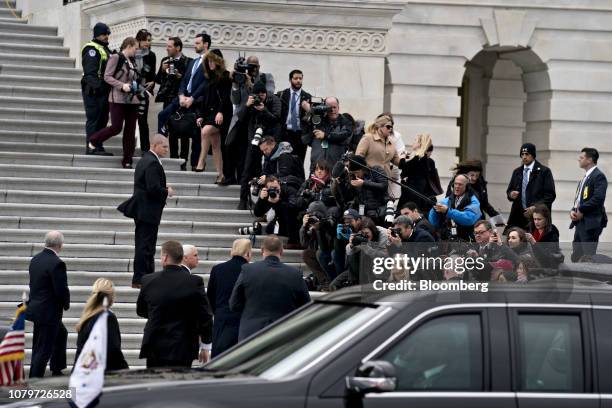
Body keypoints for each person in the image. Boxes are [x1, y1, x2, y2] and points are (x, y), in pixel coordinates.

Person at [137, 241, 213, 368]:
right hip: (183, 346)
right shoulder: (194, 282)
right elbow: (205, 316)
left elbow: (141, 310)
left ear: (165, 257)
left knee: (155, 384)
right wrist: (205, 345)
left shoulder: (148, 280)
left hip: (155, 345)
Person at [118, 134, 175, 287]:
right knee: (146, 246)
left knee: (145, 244)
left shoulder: (147, 160)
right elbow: (153, 188)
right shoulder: (152, 163)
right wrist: (166, 191)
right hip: (147, 211)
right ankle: (141, 279)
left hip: (144, 210)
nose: (166, 150)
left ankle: (145, 277)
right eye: (164, 146)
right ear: (155, 145)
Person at [229, 235, 310, 341]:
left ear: (262, 250)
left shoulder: (247, 270)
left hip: (251, 334)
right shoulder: (295, 274)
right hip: (284, 334)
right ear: (281, 251)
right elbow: (306, 306)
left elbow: (234, 304)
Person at [158, 33, 211, 170]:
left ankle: (194, 164)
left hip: (197, 101)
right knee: (162, 115)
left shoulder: (209, 61)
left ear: (206, 44)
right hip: (182, 97)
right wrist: (181, 95)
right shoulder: (194, 62)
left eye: (198, 43)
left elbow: (206, 84)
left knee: (195, 133)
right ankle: (159, 147)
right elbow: (184, 81)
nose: (195, 45)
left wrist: (192, 98)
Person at [87, 37, 140, 169]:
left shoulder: (133, 61)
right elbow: (107, 76)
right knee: (116, 127)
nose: (137, 51)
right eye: (135, 48)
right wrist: (121, 86)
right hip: (117, 98)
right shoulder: (116, 57)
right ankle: (94, 139)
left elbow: (133, 78)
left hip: (132, 100)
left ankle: (127, 160)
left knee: (130, 130)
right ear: (129, 45)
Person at [226, 55, 276, 186]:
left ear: (259, 66)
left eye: (255, 66)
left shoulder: (266, 77)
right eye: (250, 66)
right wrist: (235, 84)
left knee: (253, 154)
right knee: (233, 147)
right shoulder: (241, 77)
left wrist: (251, 84)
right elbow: (235, 101)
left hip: (258, 120)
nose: (253, 69)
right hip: (242, 117)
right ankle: (233, 177)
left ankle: (250, 182)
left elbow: (269, 95)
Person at [26, 231, 70, 378]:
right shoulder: (57, 263)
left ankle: (57, 368)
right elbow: (60, 289)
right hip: (48, 312)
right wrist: (66, 303)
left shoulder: (36, 259)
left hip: (37, 308)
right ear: (60, 245)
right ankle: (34, 378)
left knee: (61, 333)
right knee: (43, 347)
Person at [237, 82, 282, 209]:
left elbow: (276, 119)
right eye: (258, 94)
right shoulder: (250, 100)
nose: (260, 97)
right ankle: (242, 200)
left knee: (266, 172)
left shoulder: (274, 100)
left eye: (263, 94)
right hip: (253, 141)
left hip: (269, 143)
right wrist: (247, 105)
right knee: (247, 171)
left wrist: (264, 110)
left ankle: (264, 203)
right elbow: (240, 118)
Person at [207, 239, 252, 358]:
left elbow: (210, 297)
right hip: (243, 319)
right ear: (247, 253)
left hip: (222, 319)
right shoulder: (251, 271)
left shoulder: (218, 269)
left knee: (220, 359)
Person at [195, 49, 232, 184]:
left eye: (213, 61)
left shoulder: (225, 76)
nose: (210, 64)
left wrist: (221, 111)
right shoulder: (209, 78)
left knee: (205, 131)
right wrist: (201, 115)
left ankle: (201, 161)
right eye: (208, 61)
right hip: (210, 113)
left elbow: (226, 97)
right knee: (216, 145)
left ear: (218, 61)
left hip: (222, 113)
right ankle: (220, 174)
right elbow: (206, 100)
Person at [74, 278, 128, 372]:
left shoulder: (86, 317)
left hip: (84, 372)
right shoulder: (108, 318)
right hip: (102, 375)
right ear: (111, 296)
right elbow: (113, 351)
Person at [155, 37, 191, 168]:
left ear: (178, 47)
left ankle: (184, 160)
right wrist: (162, 70)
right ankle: (174, 159)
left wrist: (179, 76)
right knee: (172, 131)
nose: (167, 48)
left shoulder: (188, 62)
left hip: (182, 100)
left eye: (170, 46)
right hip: (168, 100)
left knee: (184, 130)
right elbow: (158, 80)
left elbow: (189, 82)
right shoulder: (165, 61)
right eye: (167, 46)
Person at [506, 143, 556, 230]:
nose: (524, 157)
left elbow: (550, 195)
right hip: (519, 217)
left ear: (533, 155)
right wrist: (511, 194)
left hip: (537, 217)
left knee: (536, 242)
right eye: (522, 154)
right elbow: (509, 190)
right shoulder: (517, 172)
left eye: (527, 154)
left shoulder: (544, 171)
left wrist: (535, 208)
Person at [570, 147, 608, 262]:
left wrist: (581, 209)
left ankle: (587, 280)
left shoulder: (598, 176)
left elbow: (598, 198)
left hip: (590, 223)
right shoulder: (585, 178)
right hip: (581, 222)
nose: (579, 160)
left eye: (581, 157)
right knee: (576, 255)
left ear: (590, 159)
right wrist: (573, 210)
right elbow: (580, 199)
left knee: (588, 257)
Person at [81, 22, 113, 155]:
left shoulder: (106, 49)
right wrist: (100, 89)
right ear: (97, 34)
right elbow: (90, 73)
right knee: (94, 118)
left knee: (102, 119)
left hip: (104, 90)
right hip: (94, 91)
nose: (107, 36)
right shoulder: (91, 49)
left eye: (107, 34)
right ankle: (91, 146)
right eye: (104, 34)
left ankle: (97, 145)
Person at [302, 96, 352, 173]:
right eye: (329, 108)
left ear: (338, 107)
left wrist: (325, 135)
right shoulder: (318, 121)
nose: (332, 110)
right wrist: (310, 114)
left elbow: (344, 135)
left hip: (334, 166)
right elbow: (305, 140)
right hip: (317, 166)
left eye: (334, 107)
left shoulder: (345, 121)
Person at [429, 174, 481, 241]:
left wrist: (448, 211)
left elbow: (469, 219)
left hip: (467, 241)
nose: (457, 186)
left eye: (460, 184)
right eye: (455, 184)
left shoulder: (473, 201)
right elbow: (434, 223)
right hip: (449, 241)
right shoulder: (448, 200)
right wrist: (434, 210)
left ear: (467, 187)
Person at [399, 133, 443, 214]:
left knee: (408, 213)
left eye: (415, 140)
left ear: (420, 144)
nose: (413, 142)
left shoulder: (417, 158)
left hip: (413, 192)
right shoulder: (428, 160)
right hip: (424, 193)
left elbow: (402, 167)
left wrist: (402, 157)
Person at [277, 69, 312, 162]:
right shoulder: (282, 94)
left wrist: (309, 110)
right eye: (295, 78)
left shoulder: (307, 96)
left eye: (300, 78)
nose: (298, 81)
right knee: (285, 161)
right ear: (290, 80)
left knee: (299, 162)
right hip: (285, 134)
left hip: (300, 135)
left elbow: (312, 118)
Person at [355, 114, 400, 181]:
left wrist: (410, 162)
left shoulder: (391, 142)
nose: (390, 129)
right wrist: (360, 175)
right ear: (380, 127)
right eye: (388, 127)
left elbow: (396, 161)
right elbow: (358, 158)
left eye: (391, 127)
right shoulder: (368, 138)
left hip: (385, 181)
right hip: (369, 179)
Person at [133, 29, 157, 153]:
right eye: (145, 40)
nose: (148, 42)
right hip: (131, 91)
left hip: (144, 92)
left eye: (149, 40)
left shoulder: (151, 55)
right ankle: (130, 148)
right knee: (131, 120)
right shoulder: (131, 52)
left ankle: (145, 149)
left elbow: (153, 74)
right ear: (138, 40)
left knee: (142, 120)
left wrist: (152, 82)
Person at [525, 203, 564, 268]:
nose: (536, 222)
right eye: (535, 219)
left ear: (546, 219)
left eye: (539, 219)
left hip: (548, 266)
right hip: (533, 264)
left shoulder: (552, 231)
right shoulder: (531, 227)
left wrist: (533, 242)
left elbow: (548, 256)